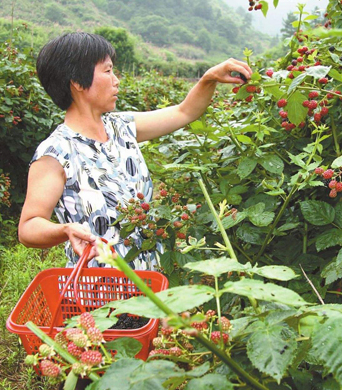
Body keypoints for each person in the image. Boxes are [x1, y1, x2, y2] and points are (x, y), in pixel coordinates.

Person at [18, 32, 252, 269]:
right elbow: (28, 227)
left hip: (150, 280)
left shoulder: (121, 127)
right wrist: (65, 230)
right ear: (77, 82)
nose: (116, 80)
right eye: (108, 71)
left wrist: (209, 79)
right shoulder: (57, 153)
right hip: (101, 292)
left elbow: (184, 112)